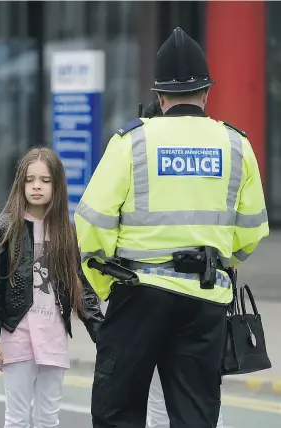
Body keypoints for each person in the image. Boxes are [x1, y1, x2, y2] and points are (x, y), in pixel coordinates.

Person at [75, 27, 268, 428]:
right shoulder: (236, 145)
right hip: (204, 298)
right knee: (195, 415)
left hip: (137, 294)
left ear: (160, 97)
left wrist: (105, 285)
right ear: (206, 93)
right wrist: (221, 260)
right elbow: (252, 229)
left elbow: (91, 223)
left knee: (117, 412)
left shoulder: (131, 142)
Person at [0, 147, 104, 428]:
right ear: (20, 184)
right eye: (30, 180)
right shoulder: (5, 227)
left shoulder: (66, 231)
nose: (36, 186)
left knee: (48, 418)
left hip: (53, 335)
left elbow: (81, 287)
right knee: (17, 418)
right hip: (16, 335)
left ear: (57, 185)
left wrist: (103, 335)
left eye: (45, 181)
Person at [140, 98, 225, 428]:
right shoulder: (214, 149)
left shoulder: (135, 153)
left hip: (149, 295)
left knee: (158, 401)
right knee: (197, 397)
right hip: (205, 294)